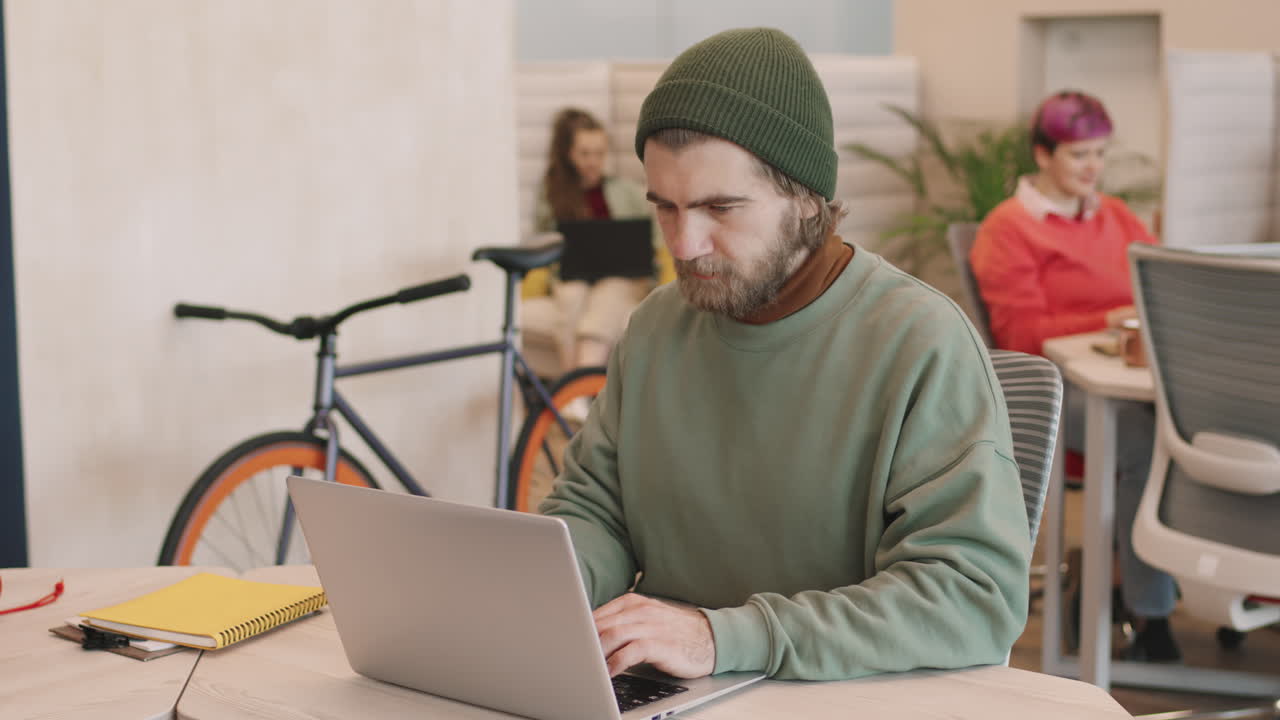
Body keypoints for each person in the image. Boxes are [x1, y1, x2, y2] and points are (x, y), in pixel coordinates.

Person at [539, 27, 1031, 682]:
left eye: (720, 207)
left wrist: (725, 637)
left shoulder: (921, 344)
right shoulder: (656, 328)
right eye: (666, 208)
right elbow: (596, 510)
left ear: (805, 198)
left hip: (839, 696)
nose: (684, 245)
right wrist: (544, 588)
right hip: (678, 688)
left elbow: (975, 597)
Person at [970, 90, 1178, 662]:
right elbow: (1022, 339)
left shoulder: (1114, 215)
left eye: (1100, 154)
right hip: (1060, 393)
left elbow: (1162, 281)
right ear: (1043, 154)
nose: (1093, 167)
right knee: (1142, 439)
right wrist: (1107, 318)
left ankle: (1118, 573)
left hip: (1120, 377)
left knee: (1185, 427)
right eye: (1079, 154)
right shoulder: (1008, 229)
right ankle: (1152, 616)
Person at [533, 108, 673, 373]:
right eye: (585, 154)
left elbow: (653, 241)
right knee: (570, 299)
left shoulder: (627, 192)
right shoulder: (552, 195)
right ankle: (574, 397)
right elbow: (544, 242)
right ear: (568, 154)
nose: (593, 161)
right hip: (574, 276)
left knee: (603, 306)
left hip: (623, 277)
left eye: (599, 153)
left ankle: (575, 393)